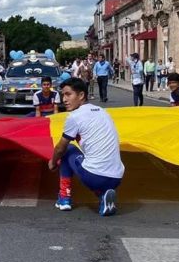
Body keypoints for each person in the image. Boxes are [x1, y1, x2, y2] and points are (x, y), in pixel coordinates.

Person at [48, 77, 124, 217]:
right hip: (117, 177)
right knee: (92, 162)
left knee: (68, 149)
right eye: (63, 95)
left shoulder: (75, 116)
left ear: (81, 95)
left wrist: (52, 162)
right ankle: (103, 196)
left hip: (95, 176)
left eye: (68, 94)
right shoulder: (103, 111)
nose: (64, 99)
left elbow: (60, 148)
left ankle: (64, 198)